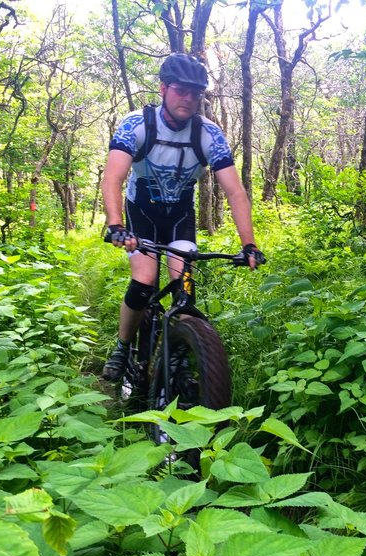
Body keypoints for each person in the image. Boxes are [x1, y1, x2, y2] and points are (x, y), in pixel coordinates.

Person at [101, 52, 264, 382]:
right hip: (141, 212)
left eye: (196, 92)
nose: (188, 98)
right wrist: (116, 225)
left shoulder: (208, 134)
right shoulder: (138, 123)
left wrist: (249, 244)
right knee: (144, 281)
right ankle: (122, 346)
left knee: (183, 284)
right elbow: (113, 178)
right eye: (180, 90)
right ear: (163, 88)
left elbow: (235, 192)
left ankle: (179, 349)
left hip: (179, 215)